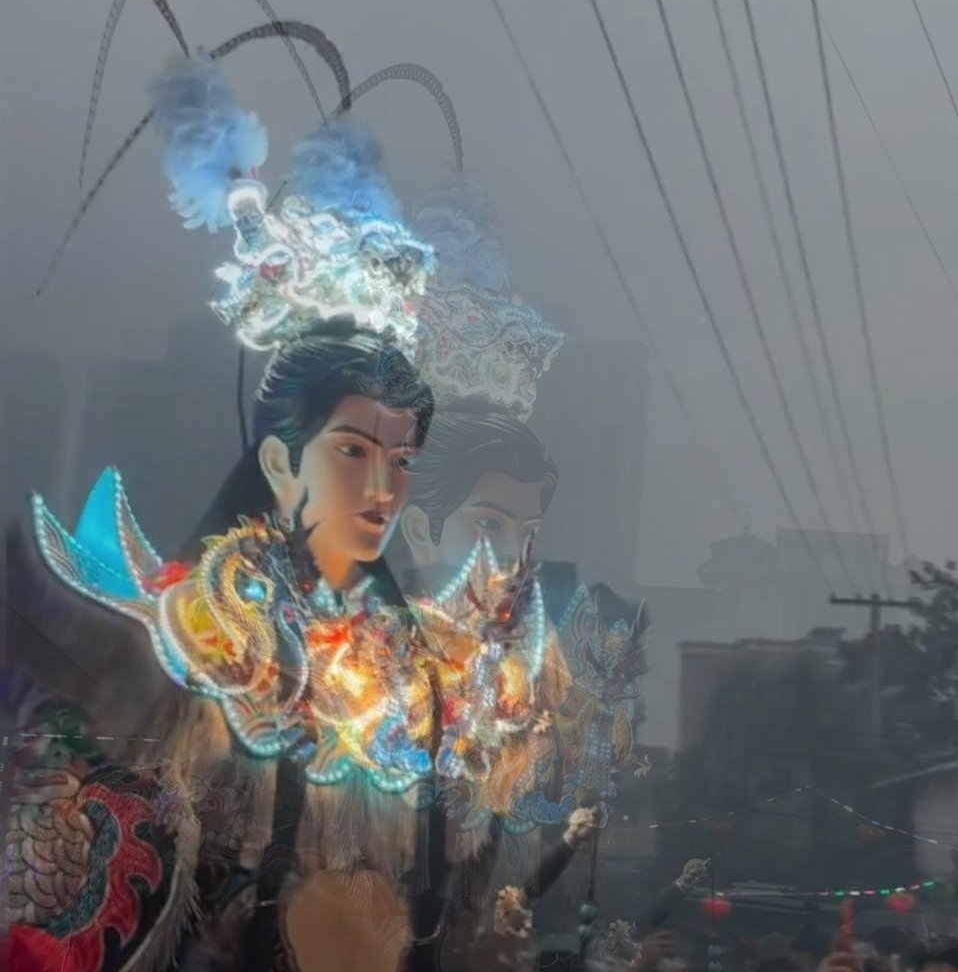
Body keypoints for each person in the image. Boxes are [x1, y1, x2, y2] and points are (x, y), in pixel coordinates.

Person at [6, 53, 564, 972]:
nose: (382, 487)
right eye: (352, 451)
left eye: (402, 459)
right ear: (278, 461)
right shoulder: (185, 648)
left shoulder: (431, 678)